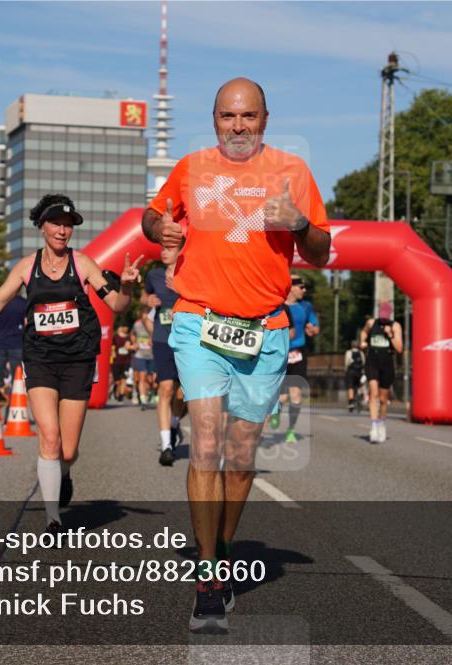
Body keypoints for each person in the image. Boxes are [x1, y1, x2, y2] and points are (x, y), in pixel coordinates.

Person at [141, 77, 331, 632]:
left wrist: (298, 223)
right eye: (228, 116)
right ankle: (207, 578)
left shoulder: (292, 171)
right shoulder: (191, 168)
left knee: (241, 457)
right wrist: (161, 226)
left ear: (265, 119)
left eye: (248, 116)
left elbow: (322, 251)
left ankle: (220, 553)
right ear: (215, 119)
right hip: (199, 321)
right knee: (205, 443)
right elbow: (152, 217)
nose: (238, 125)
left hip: (264, 331)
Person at [0, 194, 141, 533]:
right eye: (56, 223)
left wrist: (128, 287)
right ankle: (53, 519)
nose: (62, 230)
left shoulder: (83, 263)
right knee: (49, 438)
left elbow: (117, 305)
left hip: (77, 360)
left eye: (68, 225)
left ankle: (64, 473)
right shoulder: (26, 267)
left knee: (68, 451)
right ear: (41, 226)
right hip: (40, 359)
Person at [144, 244, 188, 466]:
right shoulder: (154, 275)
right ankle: (166, 446)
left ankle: (174, 424)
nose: (164, 252)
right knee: (166, 388)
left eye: (169, 248)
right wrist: (147, 300)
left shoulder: (190, 272)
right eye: (162, 248)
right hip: (162, 338)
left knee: (182, 395)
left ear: (180, 251)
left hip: (187, 339)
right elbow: (144, 298)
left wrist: (183, 290)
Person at [269, 275, 319, 442]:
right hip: (280, 353)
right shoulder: (276, 305)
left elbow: (315, 327)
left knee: (296, 395)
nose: (304, 290)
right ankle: (276, 411)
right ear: (291, 287)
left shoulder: (306, 306)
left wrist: (312, 329)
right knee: (282, 397)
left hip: (298, 353)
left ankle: (291, 430)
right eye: (301, 287)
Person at [359, 302, 403, 443]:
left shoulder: (395, 326)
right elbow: (364, 332)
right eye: (381, 316)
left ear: (390, 315)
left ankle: (381, 423)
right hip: (372, 362)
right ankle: (373, 427)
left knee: (383, 399)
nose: (383, 319)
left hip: (387, 364)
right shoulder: (371, 323)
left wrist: (390, 335)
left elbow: (399, 348)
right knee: (373, 393)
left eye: (385, 316)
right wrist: (362, 342)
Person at [0, 293, 26, 398]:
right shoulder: (23, 303)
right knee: (17, 374)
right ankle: (16, 396)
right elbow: (26, 323)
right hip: (17, 343)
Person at [131, 310, 154, 409]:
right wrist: (134, 343)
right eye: (143, 315)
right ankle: (143, 399)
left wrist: (152, 340)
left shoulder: (153, 324)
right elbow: (133, 334)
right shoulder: (137, 324)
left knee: (151, 379)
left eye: (147, 316)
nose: (145, 318)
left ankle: (150, 393)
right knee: (142, 376)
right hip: (139, 354)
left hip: (151, 355)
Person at [110, 324, 135, 401]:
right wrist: (113, 352)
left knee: (124, 378)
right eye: (124, 327)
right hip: (116, 361)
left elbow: (133, 346)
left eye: (127, 327)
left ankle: (121, 395)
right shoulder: (115, 337)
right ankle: (116, 392)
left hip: (126, 361)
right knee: (117, 381)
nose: (126, 328)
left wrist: (131, 347)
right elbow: (111, 346)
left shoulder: (129, 337)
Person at [344, 339, 365, 412]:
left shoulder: (348, 352)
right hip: (359, 372)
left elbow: (346, 363)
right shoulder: (361, 353)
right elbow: (363, 362)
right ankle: (360, 396)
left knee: (350, 387)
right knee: (360, 385)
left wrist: (346, 370)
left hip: (351, 372)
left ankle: (351, 402)